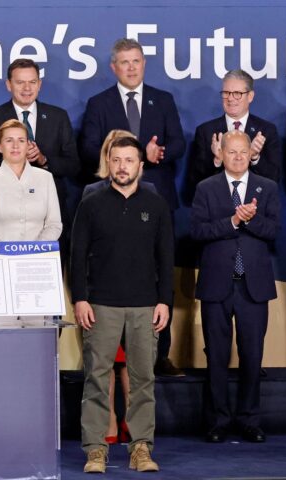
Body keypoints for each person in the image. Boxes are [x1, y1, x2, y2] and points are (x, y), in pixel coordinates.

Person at [79, 38, 185, 377]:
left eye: (136, 61)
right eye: (124, 62)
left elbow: (179, 143)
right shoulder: (99, 104)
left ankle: (160, 353)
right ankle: (114, 355)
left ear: (144, 64)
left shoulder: (163, 100)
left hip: (156, 199)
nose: (131, 67)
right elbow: (89, 147)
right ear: (114, 67)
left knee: (159, 271)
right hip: (114, 201)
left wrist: (157, 154)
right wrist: (131, 154)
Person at [71, 135, 172, 473]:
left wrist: (164, 301)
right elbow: (77, 256)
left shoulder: (156, 205)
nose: (122, 166)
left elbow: (165, 257)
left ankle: (141, 448)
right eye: (116, 160)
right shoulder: (91, 203)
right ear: (108, 163)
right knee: (97, 378)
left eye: (129, 160)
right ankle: (95, 450)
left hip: (145, 306)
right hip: (101, 305)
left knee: (143, 380)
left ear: (140, 165)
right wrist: (80, 299)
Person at [191, 131, 279, 444]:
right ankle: (218, 421)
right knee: (216, 356)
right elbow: (197, 231)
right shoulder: (206, 188)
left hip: (253, 286)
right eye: (232, 152)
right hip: (217, 284)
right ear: (221, 154)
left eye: (243, 152)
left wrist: (249, 220)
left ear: (250, 155)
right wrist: (232, 222)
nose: (239, 157)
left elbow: (274, 230)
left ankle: (249, 420)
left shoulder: (267, 187)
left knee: (252, 356)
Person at [0, 58, 80, 246]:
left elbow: (73, 165)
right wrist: (15, 158)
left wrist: (43, 159)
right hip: (5, 219)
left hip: (48, 221)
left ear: (39, 84)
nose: (27, 88)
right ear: (9, 85)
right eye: (20, 82)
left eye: (32, 82)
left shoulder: (58, 117)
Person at [185, 69, 280, 203]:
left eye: (237, 93)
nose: (230, 98)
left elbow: (274, 178)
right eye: (226, 93)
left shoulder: (266, 130)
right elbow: (195, 180)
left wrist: (254, 157)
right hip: (216, 207)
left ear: (250, 96)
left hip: (255, 207)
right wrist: (216, 161)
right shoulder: (206, 131)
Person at [0, 119, 62, 242]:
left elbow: (54, 225)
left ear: (28, 145)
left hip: (38, 252)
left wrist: (34, 249)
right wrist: (6, 251)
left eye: (21, 140)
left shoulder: (45, 178)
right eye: (9, 140)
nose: (15, 146)